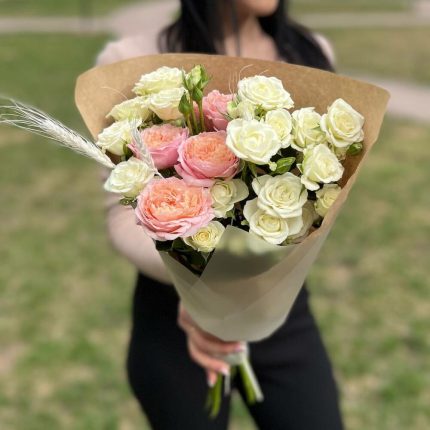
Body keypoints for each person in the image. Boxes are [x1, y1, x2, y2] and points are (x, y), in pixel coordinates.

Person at [97, 1, 343, 429]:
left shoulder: (311, 55)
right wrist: (201, 286)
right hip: (174, 319)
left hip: (281, 310)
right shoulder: (131, 60)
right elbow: (120, 219)